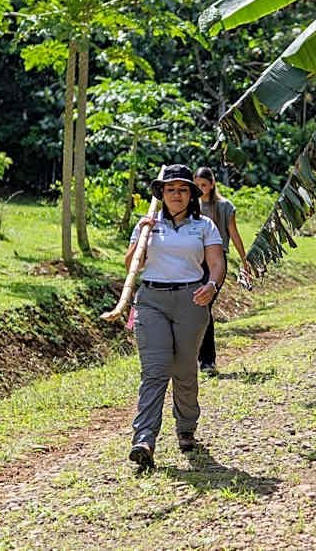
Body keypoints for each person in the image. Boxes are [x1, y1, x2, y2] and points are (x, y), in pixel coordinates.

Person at [125, 164, 225, 469]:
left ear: (192, 195)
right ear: (162, 194)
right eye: (170, 190)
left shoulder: (204, 225)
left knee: (183, 369)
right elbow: (132, 265)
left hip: (191, 300)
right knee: (155, 370)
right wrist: (141, 235)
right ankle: (144, 438)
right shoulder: (147, 226)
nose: (176, 195)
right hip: (151, 300)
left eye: (183, 190)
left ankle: (186, 428)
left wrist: (212, 285)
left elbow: (217, 264)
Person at [193, 166, 250, 375]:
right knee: (195, 308)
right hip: (194, 262)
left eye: (204, 185)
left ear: (212, 184)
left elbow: (234, 234)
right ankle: (196, 358)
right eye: (197, 185)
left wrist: (245, 261)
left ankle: (207, 361)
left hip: (216, 263)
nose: (201, 189)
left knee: (204, 308)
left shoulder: (225, 206)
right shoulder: (191, 206)